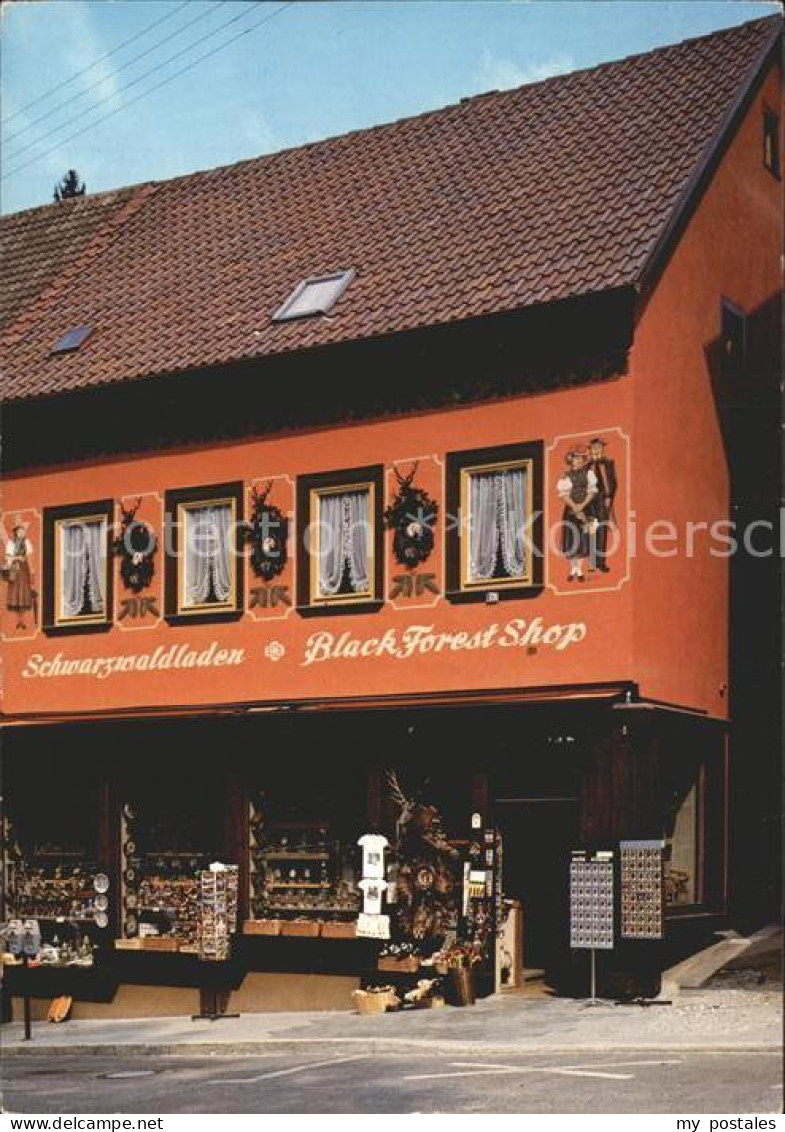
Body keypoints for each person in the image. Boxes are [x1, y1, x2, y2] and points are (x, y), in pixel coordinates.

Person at [557, 449, 598, 582]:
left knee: (583, 540)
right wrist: (575, 507)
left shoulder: (589, 473)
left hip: (587, 509)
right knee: (572, 540)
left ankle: (578, 570)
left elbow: (592, 492)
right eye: (576, 458)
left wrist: (582, 506)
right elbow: (563, 495)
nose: (579, 460)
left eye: (581, 458)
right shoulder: (565, 475)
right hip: (571, 510)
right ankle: (575, 570)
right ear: (571, 459)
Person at [586, 438, 618, 573]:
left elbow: (613, 482)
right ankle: (592, 562)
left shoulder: (608, 463)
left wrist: (609, 497)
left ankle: (601, 562)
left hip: (603, 500)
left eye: (599, 447)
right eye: (595, 447)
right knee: (592, 530)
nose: (597, 449)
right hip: (590, 500)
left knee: (602, 530)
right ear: (591, 449)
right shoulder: (586, 466)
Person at [4, 522, 35, 630]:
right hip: (15, 568)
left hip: (24, 568)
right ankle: (19, 621)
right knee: (16, 591)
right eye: (20, 531)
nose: (22, 533)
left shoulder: (26, 542)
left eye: (23, 531)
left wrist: (32, 570)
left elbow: (29, 556)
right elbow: (8, 557)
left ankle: (22, 621)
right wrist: (16, 559)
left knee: (24, 590)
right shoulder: (11, 543)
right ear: (16, 532)